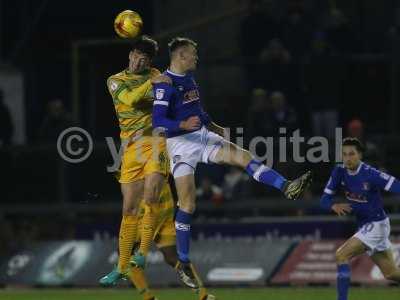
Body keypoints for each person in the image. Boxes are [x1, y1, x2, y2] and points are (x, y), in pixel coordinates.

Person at [151, 37, 312, 267]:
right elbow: (158, 122)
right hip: (179, 145)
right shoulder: (164, 84)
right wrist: (182, 126)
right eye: (193, 54)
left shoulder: (189, 78)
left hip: (202, 137)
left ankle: (287, 187)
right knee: (187, 204)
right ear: (181, 56)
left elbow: (198, 110)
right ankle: (183, 260)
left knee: (244, 156)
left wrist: (214, 126)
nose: (197, 57)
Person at [99, 36, 168, 284]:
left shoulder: (156, 73)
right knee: (129, 209)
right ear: (130, 54)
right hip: (130, 150)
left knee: (151, 197)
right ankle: (120, 267)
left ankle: (142, 253)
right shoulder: (115, 81)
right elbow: (129, 100)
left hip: (155, 143)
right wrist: (153, 81)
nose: (140, 61)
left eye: (146, 58)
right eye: (137, 55)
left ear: (150, 61)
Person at [102, 181, 216, 300]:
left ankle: (148, 297)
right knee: (171, 256)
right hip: (165, 203)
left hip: (148, 207)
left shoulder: (135, 165)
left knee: (125, 251)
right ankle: (203, 294)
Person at [320, 137, 400, 300]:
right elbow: (324, 200)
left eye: (352, 154)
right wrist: (332, 206)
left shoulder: (371, 174)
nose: (348, 158)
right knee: (391, 273)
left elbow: (396, 185)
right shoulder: (339, 171)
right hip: (366, 225)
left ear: (360, 155)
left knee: (341, 255)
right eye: (344, 154)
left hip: (377, 224)